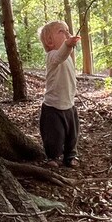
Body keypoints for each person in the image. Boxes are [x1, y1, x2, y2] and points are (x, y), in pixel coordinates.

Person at [39, 20, 81, 167]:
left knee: (72, 134)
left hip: (69, 104)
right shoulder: (52, 56)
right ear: (49, 41)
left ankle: (70, 155)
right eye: (61, 31)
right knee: (53, 135)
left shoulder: (67, 56)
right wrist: (68, 45)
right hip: (53, 107)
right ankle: (52, 157)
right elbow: (60, 55)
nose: (67, 33)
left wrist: (68, 46)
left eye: (68, 30)